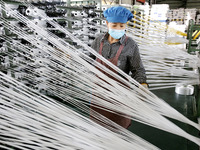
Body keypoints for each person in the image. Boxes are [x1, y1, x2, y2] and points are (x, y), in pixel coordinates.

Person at [90, 6, 148, 129]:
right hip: (99, 94)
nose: (118, 28)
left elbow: (137, 69)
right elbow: (88, 58)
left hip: (120, 95)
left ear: (126, 25)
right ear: (107, 23)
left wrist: (142, 84)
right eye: (114, 25)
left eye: (121, 26)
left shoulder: (130, 44)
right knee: (98, 127)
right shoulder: (98, 41)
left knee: (118, 128)